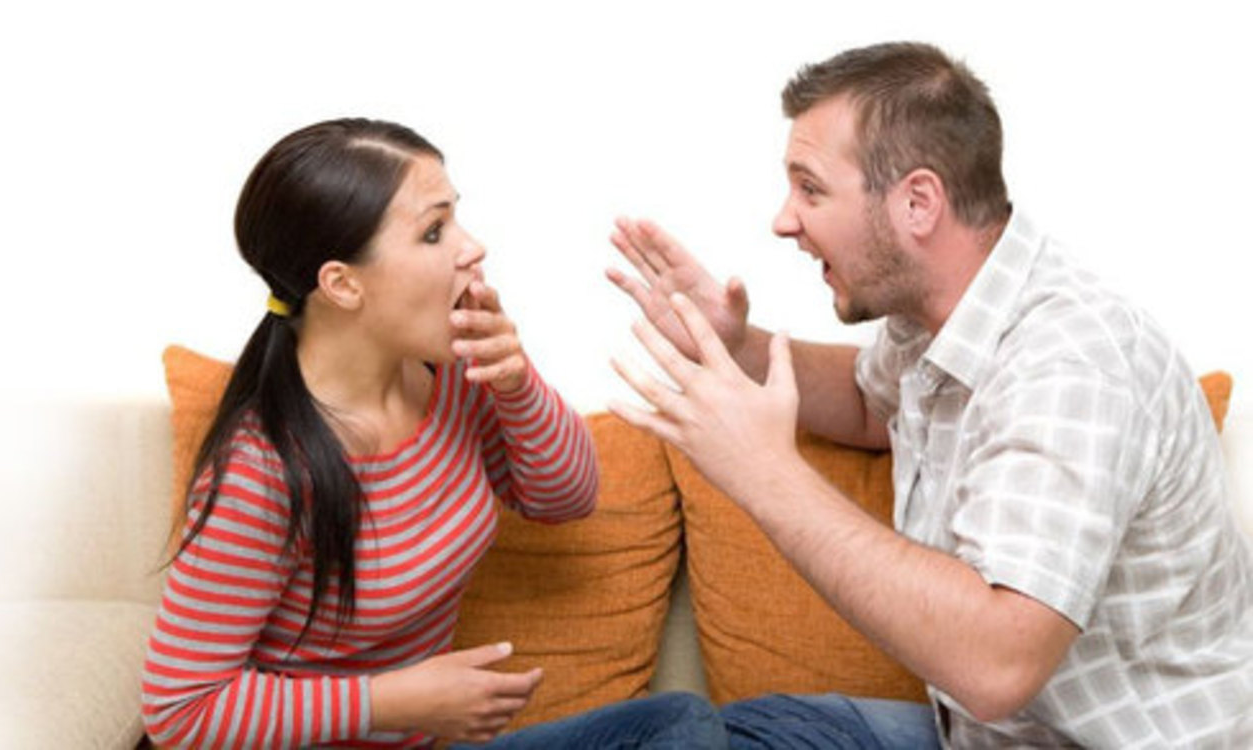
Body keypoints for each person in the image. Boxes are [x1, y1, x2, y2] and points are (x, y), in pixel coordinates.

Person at [607, 42, 1253, 747]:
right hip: (984, 737)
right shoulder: (942, 314)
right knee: (717, 731)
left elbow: (997, 664)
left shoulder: (1072, 364)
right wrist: (737, 343)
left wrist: (765, 474)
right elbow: (868, 402)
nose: (784, 220)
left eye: (811, 189)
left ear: (918, 202)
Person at [141, 118, 727, 749]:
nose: (472, 248)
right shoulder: (262, 469)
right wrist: (390, 701)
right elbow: (179, 710)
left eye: (456, 219)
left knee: (678, 722)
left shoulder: (447, 379)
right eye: (433, 231)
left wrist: (515, 381)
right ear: (342, 284)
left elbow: (566, 498)